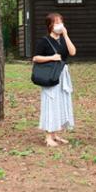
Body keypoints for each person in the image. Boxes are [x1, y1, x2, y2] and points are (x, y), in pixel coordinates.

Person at [32, 12, 76, 147]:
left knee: (61, 102)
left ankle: (56, 134)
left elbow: (73, 52)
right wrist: (51, 58)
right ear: (50, 25)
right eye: (56, 23)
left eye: (60, 22)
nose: (59, 25)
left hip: (62, 75)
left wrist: (66, 35)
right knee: (50, 102)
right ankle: (48, 136)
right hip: (50, 75)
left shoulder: (63, 40)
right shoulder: (44, 41)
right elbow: (35, 58)